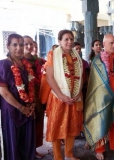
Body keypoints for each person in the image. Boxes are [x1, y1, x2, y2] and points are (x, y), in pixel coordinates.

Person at [84, 34, 114, 160]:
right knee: (101, 122)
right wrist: (108, 95)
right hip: (102, 99)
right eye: (111, 43)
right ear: (104, 44)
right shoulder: (97, 61)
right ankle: (99, 149)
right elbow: (95, 84)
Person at [0, 33, 36, 160]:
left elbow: (31, 86)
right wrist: (21, 108)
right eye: (14, 45)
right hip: (12, 110)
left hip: (28, 109)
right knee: (14, 142)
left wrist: (32, 104)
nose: (18, 47)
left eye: (21, 44)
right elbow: (4, 92)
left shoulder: (26, 64)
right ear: (8, 46)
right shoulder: (3, 64)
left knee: (28, 142)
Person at [45, 30, 83, 160]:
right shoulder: (52, 55)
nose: (69, 42)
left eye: (71, 39)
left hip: (73, 97)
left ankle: (69, 154)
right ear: (59, 41)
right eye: (66, 39)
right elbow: (49, 77)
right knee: (56, 127)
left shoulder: (76, 56)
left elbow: (81, 76)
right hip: (58, 98)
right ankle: (58, 157)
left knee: (72, 126)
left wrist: (78, 93)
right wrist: (61, 96)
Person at [23, 35, 46, 158]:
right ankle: (26, 151)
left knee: (38, 123)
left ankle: (34, 149)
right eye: (25, 44)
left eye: (31, 44)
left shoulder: (38, 60)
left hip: (39, 95)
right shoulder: (18, 61)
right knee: (27, 124)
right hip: (25, 97)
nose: (29, 46)